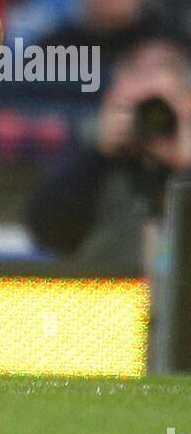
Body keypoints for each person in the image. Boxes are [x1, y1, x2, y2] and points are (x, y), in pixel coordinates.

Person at [27, 35, 191, 270]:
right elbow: (46, 233)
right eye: (139, 106)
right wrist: (97, 155)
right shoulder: (88, 145)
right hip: (108, 296)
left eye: (159, 107)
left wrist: (184, 167)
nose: (150, 118)